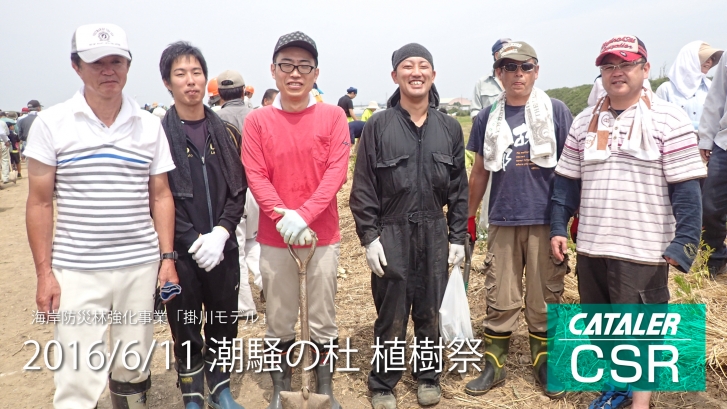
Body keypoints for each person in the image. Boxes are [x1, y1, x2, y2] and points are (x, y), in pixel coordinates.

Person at [24, 23, 179, 409]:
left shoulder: (148, 125)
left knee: (133, 361)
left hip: (138, 266)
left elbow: (160, 194)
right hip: (77, 269)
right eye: (97, 62)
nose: (108, 70)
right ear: (77, 66)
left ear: (128, 66)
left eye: (116, 61)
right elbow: (40, 203)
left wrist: (167, 259)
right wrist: (45, 273)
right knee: (77, 372)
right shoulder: (52, 124)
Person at [551, 35, 706, 409]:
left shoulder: (669, 119)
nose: (617, 72)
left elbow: (687, 188)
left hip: (644, 248)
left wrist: (683, 243)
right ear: (601, 74)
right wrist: (559, 227)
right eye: (608, 66)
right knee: (601, 328)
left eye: (625, 64)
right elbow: (567, 182)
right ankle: (618, 387)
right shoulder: (586, 122)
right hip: (592, 243)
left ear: (645, 69)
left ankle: (640, 403)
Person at [349, 43, 468, 409]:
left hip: (434, 230)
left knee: (430, 309)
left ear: (432, 75)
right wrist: (370, 237)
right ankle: (383, 383)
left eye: (423, 66)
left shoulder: (448, 127)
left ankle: (428, 377)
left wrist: (458, 238)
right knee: (391, 314)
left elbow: (459, 189)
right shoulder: (378, 126)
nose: (416, 72)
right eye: (407, 66)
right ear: (395, 75)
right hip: (393, 232)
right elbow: (364, 186)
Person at [242, 31, 349, 409]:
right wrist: (281, 215)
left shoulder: (334, 117)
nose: (295, 72)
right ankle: (279, 387)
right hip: (274, 238)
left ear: (316, 72)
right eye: (286, 64)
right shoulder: (257, 122)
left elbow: (336, 172)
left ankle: (325, 387)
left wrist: (304, 215)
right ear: (273, 71)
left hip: (322, 235)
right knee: (280, 318)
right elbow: (255, 174)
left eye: (304, 65)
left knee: (322, 317)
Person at [465, 41, 573, 399]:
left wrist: (574, 216)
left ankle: (544, 362)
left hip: (546, 218)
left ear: (536, 70)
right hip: (504, 217)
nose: (518, 74)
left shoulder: (555, 111)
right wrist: (467, 216)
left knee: (546, 294)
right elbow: (480, 171)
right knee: (500, 294)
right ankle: (494, 364)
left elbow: (572, 168)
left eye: (525, 67)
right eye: (509, 68)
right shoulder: (486, 117)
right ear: (498, 74)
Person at [159, 41, 247, 409]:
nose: (190, 81)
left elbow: (238, 188)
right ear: (168, 82)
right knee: (185, 321)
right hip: (182, 251)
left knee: (224, 319)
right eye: (181, 74)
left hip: (223, 247)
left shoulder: (224, 132)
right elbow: (160, 197)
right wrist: (192, 239)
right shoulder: (159, 136)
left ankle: (221, 388)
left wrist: (223, 232)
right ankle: (193, 394)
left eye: (196, 72)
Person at [215, 69, 260, 318]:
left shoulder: (216, 120)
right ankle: (270, 288)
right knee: (256, 242)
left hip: (236, 192)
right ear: (243, 92)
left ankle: (245, 307)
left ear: (219, 94)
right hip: (260, 191)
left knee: (239, 248)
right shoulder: (258, 116)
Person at [466, 38, 510, 239]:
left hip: (514, 143)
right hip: (490, 140)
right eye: (504, 51)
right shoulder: (482, 84)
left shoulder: (519, 77)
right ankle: (485, 226)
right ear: (495, 55)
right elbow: (475, 111)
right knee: (486, 180)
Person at [700, 52, 727, 277]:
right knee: (710, 205)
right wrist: (706, 137)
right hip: (724, 142)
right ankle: (716, 254)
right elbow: (717, 96)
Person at [656, 41, 723, 130]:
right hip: (675, 142)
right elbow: (658, 122)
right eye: (705, 57)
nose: (710, 61)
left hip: (706, 142)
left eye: (712, 58)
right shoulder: (666, 90)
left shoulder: (712, 88)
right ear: (689, 59)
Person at [470, 38, 509, 119]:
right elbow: (475, 111)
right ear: (497, 55)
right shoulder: (482, 83)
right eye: (508, 52)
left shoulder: (518, 81)